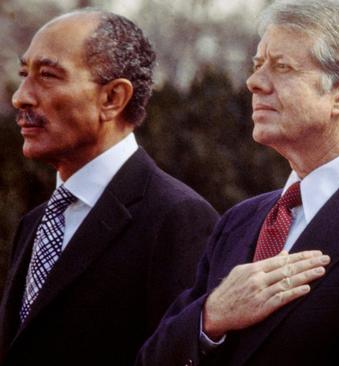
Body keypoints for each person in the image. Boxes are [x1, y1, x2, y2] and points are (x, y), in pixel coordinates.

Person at [138, 0, 339, 365]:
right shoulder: (238, 221)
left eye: (282, 67)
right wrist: (210, 317)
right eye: (258, 65)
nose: (254, 83)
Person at [0, 9, 219, 366]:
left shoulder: (177, 218)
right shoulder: (35, 222)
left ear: (113, 98)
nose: (21, 97)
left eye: (48, 76)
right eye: (25, 74)